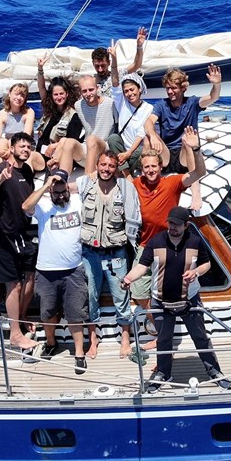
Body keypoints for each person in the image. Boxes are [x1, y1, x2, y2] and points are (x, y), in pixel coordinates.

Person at [121, 205, 231, 392]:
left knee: (200, 337)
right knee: (163, 340)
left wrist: (196, 272)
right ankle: (163, 373)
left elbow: (206, 264)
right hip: (160, 301)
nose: (172, 227)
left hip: (190, 300)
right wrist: (128, 279)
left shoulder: (196, 242)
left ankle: (214, 371)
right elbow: (142, 266)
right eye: (170, 223)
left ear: (186, 225)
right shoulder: (155, 242)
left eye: (177, 224)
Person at [130, 127, 206, 322]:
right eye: (146, 167)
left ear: (161, 166)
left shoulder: (172, 183)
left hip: (170, 245)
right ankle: (158, 325)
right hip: (146, 244)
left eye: (154, 166)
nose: (150, 170)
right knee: (138, 292)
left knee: (172, 289)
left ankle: (171, 324)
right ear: (142, 169)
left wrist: (195, 149)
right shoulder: (136, 184)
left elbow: (199, 172)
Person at [21, 169, 89, 374]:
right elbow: (25, 206)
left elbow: (93, 182)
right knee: (48, 312)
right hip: (47, 270)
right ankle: (51, 343)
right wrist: (45, 185)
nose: (60, 196)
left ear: (68, 188)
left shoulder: (77, 201)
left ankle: (79, 354)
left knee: (75, 313)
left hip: (74, 269)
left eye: (63, 191)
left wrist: (68, 185)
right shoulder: (43, 205)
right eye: (56, 192)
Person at [78, 150, 142, 359]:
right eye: (103, 165)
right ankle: (93, 339)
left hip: (116, 253)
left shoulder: (125, 189)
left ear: (116, 168)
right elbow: (62, 189)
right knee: (91, 296)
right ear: (97, 165)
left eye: (111, 166)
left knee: (121, 295)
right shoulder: (85, 184)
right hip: (90, 254)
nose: (106, 169)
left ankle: (125, 339)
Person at [0, 131, 39, 353]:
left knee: (30, 277)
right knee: (14, 285)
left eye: (29, 147)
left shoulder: (27, 171)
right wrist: (1, 178)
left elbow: (28, 199)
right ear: (12, 148)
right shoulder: (1, 169)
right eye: (22, 146)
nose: (26, 150)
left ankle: (21, 317)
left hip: (22, 233)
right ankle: (15, 334)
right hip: (2, 236)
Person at [144, 64, 221, 209]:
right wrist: (153, 135)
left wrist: (216, 85)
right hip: (167, 155)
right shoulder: (162, 105)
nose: (170, 91)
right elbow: (149, 122)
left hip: (185, 156)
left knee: (187, 140)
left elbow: (212, 97)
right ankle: (146, 185)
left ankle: (196, 192)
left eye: (174, 88)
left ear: (183, 88)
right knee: (147, 138)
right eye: (168, 88)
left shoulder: (192, 103)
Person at [50, 74, 115, 176]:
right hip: (87, 147)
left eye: (91, 90)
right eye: (84, 91)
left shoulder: (110, 104)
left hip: (105, 147)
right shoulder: (78, 105)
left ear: (97, 88)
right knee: (69, 142)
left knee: (91, 139)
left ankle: (88, 178)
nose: (88, 93)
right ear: (80, 92)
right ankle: (62, 178)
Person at [105, 72, 154, 177]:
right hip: (122, 150)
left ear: (139, 89)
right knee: (113, 138)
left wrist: (128, 153)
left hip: (136, 151)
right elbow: (115, 85)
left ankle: (120, 169)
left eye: (132, 89)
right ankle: (127, 174)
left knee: (142, 150)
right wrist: (113, 63)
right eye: (126, 91)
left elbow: (141, 133)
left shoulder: (148, 108)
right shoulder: (122, 104)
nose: (129, 93)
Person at [35, 73, 84, 170]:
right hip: (42, 154)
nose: (59, 97)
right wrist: (40, 70)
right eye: (55, 94)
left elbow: (72, 141)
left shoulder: (73, 115)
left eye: (61, 93)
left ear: (67, 94)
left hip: (59, 157)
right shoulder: (49, 112)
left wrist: (54, 146)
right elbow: (41, 87)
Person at [93, 27, 147, 97]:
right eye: (97, 66)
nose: (100, 69)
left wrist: (139, 46)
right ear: (93, 64)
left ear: (109, 63)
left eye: (103, 65)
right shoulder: (90, 82)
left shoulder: (119, 75)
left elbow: (136, 64)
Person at [0, 83, 36, 161]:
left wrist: (10, 150)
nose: (19, 98)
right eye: (16, 94)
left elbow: (26, 137)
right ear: (10, 94)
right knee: (2, 142)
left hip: (24, 145)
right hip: (8, 147)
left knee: (10, 141)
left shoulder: (29, 112)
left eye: (22, 96)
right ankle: (2, 166)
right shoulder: (1, 114)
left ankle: (11, 165)